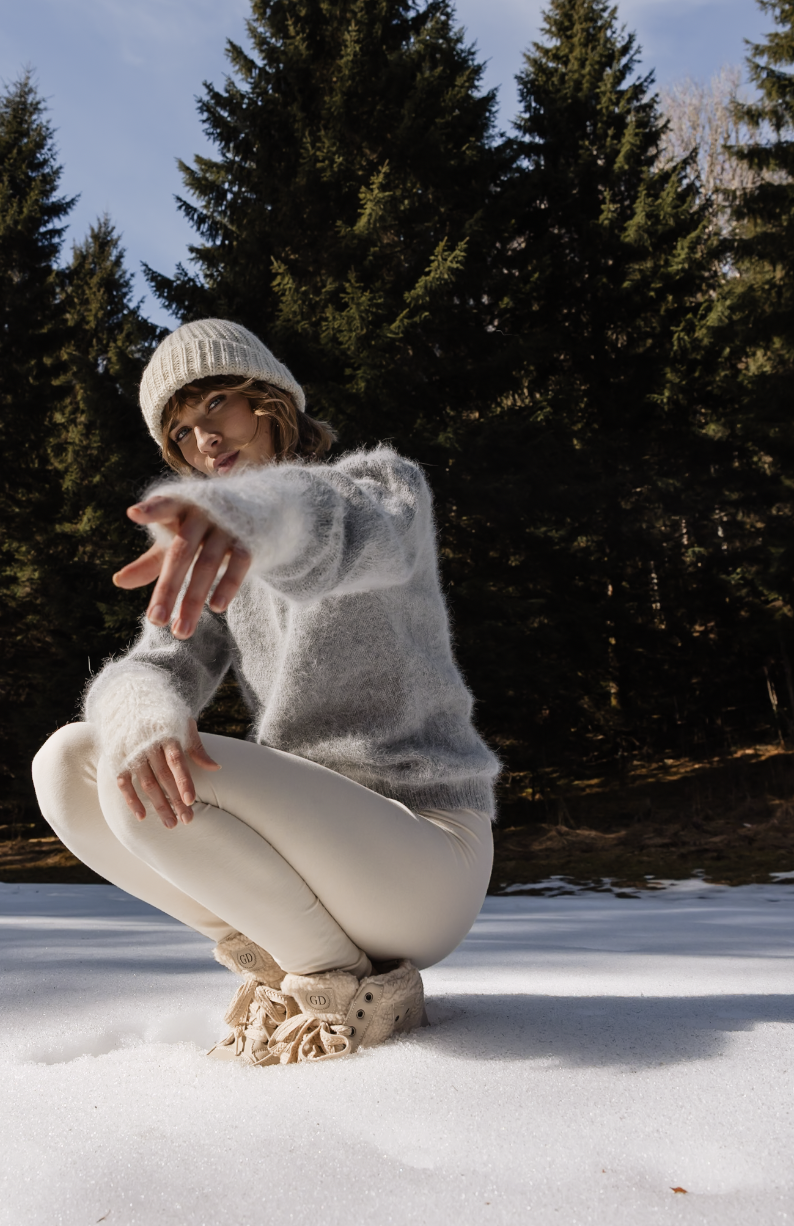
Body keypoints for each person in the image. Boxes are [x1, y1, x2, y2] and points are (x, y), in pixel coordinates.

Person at [32, 319, 499, 1065]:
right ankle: (292, 966)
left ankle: (339, 986)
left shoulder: (384, 490)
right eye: (181, 432)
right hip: (316, 859)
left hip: (427, 852)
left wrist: (252, 517)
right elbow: (153, 663)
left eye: (216, 403)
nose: (204, 439)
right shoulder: (215, 569)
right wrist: (142, 709)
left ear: (270, 400)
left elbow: (333, 526)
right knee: (70, 764)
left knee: (135, 785)